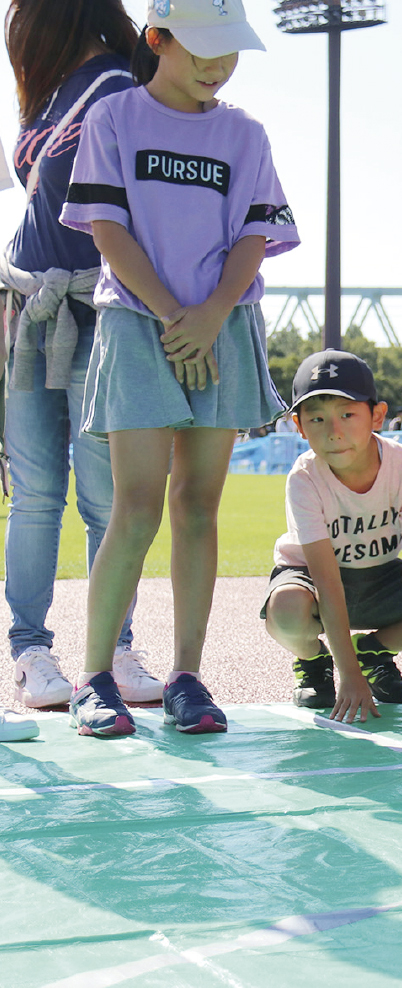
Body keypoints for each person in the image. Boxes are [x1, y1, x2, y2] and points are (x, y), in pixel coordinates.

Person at [57, 1, 295, 736]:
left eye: (230, 51)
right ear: (157, 40)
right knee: (136, 507)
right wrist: (171, 316)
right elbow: (107, 229)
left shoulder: (245, 132)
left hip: (222, 324)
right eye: (202, 49)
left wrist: (212, 314)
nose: (218, 65)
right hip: (138, 323)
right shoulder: (115, 118)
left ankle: (188, 677)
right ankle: (94, 678)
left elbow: (257, 232)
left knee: (198, 504)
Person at [1, 0, 150, 713]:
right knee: (36, 497)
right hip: (31, 308)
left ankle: (113, 650)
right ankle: (30, 650)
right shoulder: (54, 90)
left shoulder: (118, 87)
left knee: (102, 502)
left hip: (96, 311)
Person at [262, 350, 402, 722]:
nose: (333, 431)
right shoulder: (304, 478)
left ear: (377, 416)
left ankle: (375, 652)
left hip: (381, 576)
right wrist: (346, 673)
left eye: (347, 415)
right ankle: (314, 659)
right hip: (315, 581)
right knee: (285, 610)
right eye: (317, 419)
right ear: (299, 427)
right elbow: (326, 579)